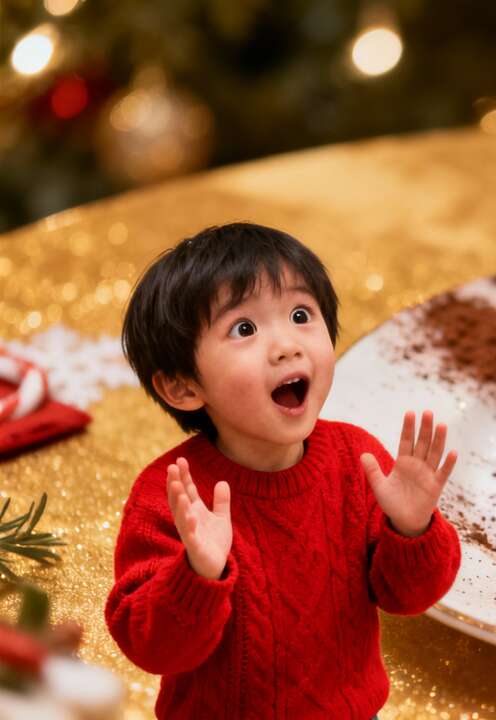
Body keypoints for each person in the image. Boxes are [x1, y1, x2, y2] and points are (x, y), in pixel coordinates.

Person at [106, 222, 461, 719]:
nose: (287, 346)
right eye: (244, 329)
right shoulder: (172, 494)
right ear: (184, 386)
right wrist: (197, 574)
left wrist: (412, 529)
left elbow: (409, 598)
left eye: (300, 315)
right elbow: (152, 649)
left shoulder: (356, 460)